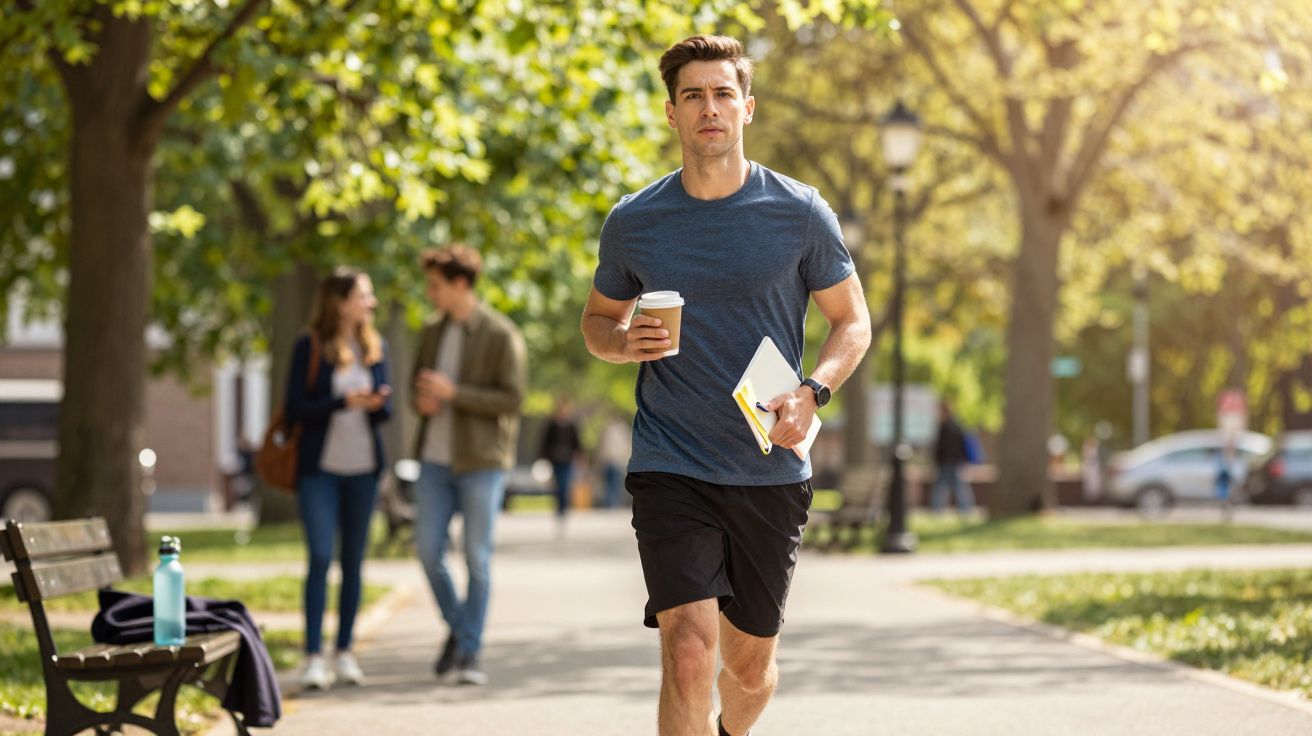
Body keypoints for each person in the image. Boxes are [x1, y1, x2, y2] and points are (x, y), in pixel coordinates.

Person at [580, 35, 871, 736]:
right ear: (672, 114)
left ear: (747, 108)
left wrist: (814, 391)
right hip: (670, 463)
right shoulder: (635, 222)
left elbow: (851, 322)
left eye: (721, 94)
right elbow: (596, 321)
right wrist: (623, 345)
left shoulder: (799, 213)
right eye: (693, 96)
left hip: (767, 467)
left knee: (746, 671)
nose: (709, 108)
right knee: (686, 652)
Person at [410, 243, 527, 686]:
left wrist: (453, 393)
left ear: (461, 284)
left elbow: (513, 399)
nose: (430, 293)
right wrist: (421, 398)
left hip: (481, 462)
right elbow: (416, 389)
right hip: (433, 462)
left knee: (476, 558)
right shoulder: (431, 332)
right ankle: (462, 630)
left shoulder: (501, 335)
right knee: (427, 552)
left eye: (436, 285)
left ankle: (471, 653)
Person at [285, 267, 392, 690]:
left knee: (353, 562)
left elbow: (387, 411)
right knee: (319, 558)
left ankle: (344, 652)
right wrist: (343, 401)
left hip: (363, 469)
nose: (371, 303)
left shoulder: (374, 345)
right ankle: (314, 657)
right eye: (363, 295)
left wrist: (375, 403)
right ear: (339, 300)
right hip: (320, 471)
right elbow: (295, 407)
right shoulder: (308, 346)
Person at [539, 397, 584, 526]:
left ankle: (563, 510)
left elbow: (577, 443)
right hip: (555, 460)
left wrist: (580, 457)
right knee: (558, 485)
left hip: (568, 460)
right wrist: (544, 457)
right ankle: (559, 508)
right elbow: (545, 443)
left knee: (565, 485)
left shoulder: (572, 426)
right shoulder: (552, 425)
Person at [931, 402, 976, 514]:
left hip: (947, 462)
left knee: (942, 487)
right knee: (959, 486)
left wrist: (937, 460)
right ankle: (965, 508)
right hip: (956, 461)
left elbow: (941, 447)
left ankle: (938, 509)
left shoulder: (945, 427)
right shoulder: (958, 426)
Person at [595, 412, 634, 508]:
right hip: (611, 460)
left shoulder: (616, 430)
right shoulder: (619, 430)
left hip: (614, 460)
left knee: (613, 483)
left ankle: (612, 503)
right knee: (612, 483)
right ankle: (612, 503)